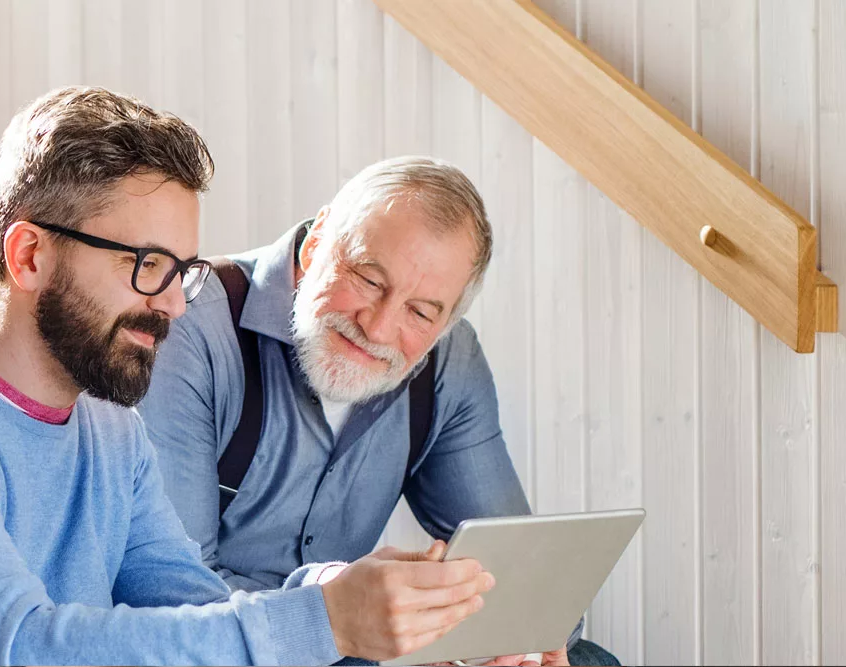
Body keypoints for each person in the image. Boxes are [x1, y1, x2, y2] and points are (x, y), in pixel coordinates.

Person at [0, 87, 495, 666]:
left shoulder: (109, 422)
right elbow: (23, 647)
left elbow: (188, 605)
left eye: (182, 270)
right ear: (30, 255)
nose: (173, 304)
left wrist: (349, 593)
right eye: (145, 265)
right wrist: (326, 621)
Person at [139, 156, 619, 666]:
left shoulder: (448, 364)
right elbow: (172, 599)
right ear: (317, 240)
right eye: (369, 279)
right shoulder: (189, 326)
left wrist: (520, 641)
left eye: (420, 312)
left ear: (446, 322)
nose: (379, 327)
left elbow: (522, 579)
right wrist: (342, 615)